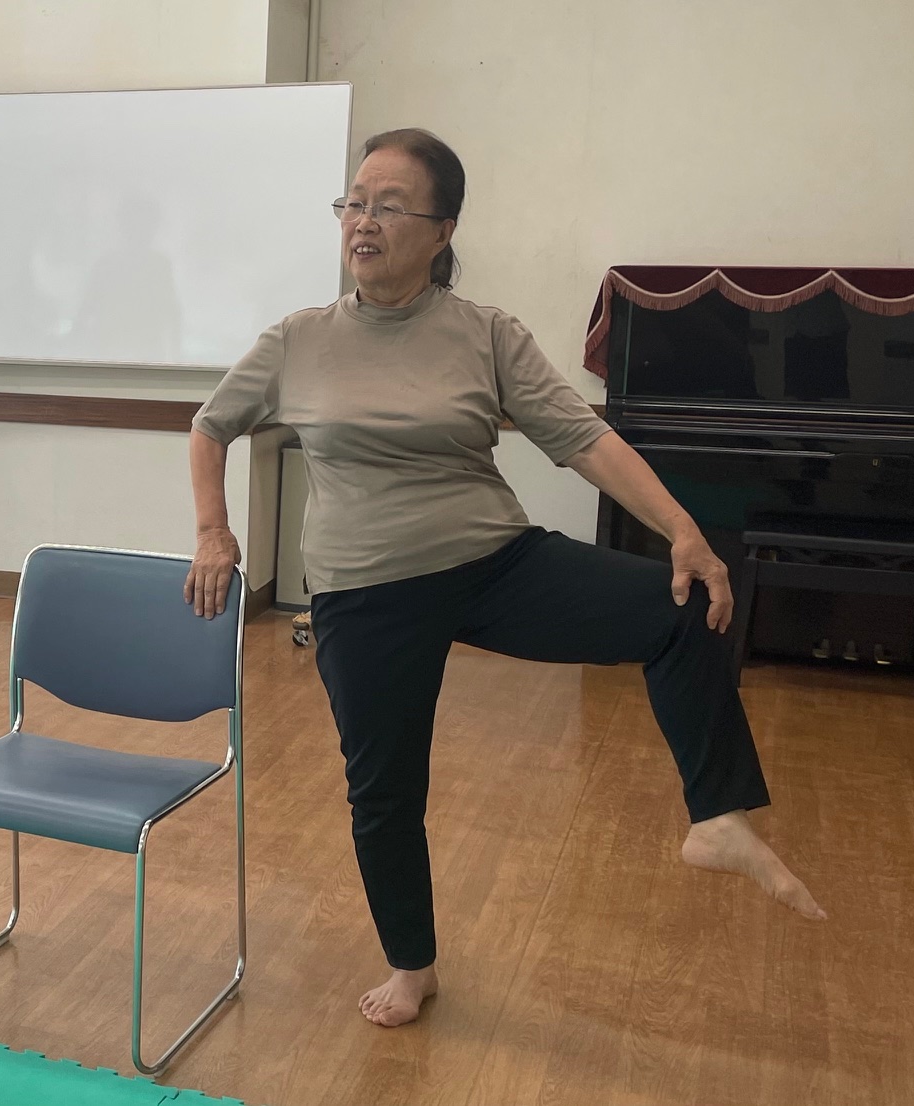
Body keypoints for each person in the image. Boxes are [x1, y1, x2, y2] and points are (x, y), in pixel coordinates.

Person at [183, 128, 823, 1029]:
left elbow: (584, 438)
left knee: (677, 606)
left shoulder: (483, 333)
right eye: (353, 203)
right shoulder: (298, 339)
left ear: (442, 230)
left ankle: (717, 817)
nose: (363, 221)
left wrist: (682, 531)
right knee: (384, 792)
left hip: (493, 563)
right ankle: (411, 966)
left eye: (388, 206)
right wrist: (213, 532)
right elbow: (210, 425)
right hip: (363, 592)